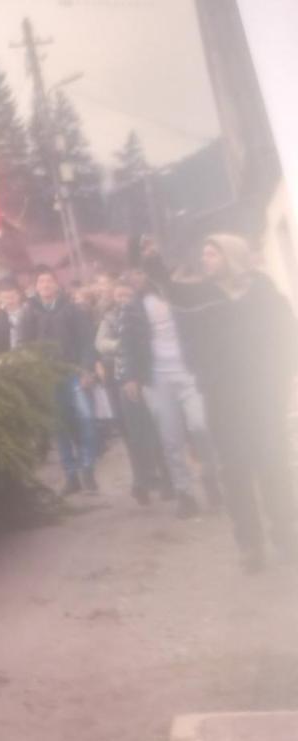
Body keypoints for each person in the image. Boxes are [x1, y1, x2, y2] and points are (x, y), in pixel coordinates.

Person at [142, 234, 297, 571]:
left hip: (263, 393)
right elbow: (174, 292)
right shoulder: (203, 294)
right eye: (204, 254)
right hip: (222, 395)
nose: (206, 260)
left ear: (232, 255)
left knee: (274, 466)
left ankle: (285, 535)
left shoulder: (262, 290)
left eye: (212, 253)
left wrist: (284, 378)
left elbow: (286, 333)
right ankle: (250, 546)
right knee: (235, 470)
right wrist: (154, 265)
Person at [119, 262, 219, 518]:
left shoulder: (178, 296)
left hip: (189, 371)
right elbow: (127, 343)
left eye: (142, 270)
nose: (138, 276)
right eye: (134, 272)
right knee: (171, 438)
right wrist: (131, 376)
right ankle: (185, 493)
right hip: (157, 378)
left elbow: (203, 329)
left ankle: (210, 475)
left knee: (200, 425)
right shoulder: (132, 308)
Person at [21, 264, 100, 494]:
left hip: (74, 373)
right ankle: (70, 475)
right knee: (59, 426)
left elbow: (87, 341)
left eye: (49, 281)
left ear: (57, 284)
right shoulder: (29, 312)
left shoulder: (73, 309)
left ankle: (88, 468)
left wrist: (86, 370)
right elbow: (24, 346)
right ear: (35, 287)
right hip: (47, 377)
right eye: (40, 282)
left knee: (86, 420)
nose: (45, 285)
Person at [105, 276, 173, 505]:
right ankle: (141, 482)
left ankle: (167, 480)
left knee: (158, 430)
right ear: (112, 298)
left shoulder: (144, 316)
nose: (123, 300)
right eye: (118, 296)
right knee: (135, 435)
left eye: (127, 295)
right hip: (125, 380)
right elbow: (100, 343)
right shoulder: (110, 318)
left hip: (149, 378)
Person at [0, 279, 27, 349]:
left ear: (19, 295)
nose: (10, 301)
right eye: (6, 298)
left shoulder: (28, 310)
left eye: (12, 297)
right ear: (0, 298)